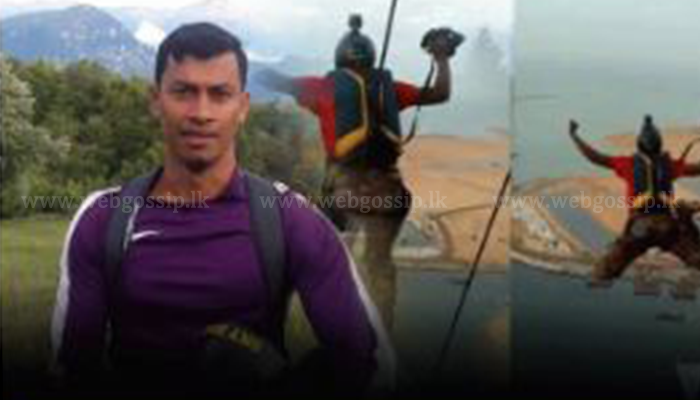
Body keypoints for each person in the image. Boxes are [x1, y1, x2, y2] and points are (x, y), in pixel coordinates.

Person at [51, 22, 393, 398]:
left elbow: (371, 364)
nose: (201, 112)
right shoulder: (102, 218)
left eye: (219, 94)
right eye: (183, 92)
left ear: (242, 107)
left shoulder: (291, 220)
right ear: (155, 100)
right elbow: (71, 369)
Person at [258, 15, 461, 327]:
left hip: (344, 195)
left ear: (339, 58)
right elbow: (440, 94)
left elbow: (273, 80)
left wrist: (243, 63)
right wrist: (441, 58)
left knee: (332, 258)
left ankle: (332, 326)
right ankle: (383, 333)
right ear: (371, 56)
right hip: (390, 195)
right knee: (379, 263)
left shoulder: (322, 87)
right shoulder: (391, 89)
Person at [569, 115, 700, 282]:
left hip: (639, 229)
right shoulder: (670, 165)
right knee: (696, 256)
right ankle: (687, 223)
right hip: (668, 228)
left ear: (639, 144)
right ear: (659, 144)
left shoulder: (628, 164)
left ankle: (601, 276)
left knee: (604, 271)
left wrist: (575, 136)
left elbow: (595, 157)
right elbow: (696, 169)